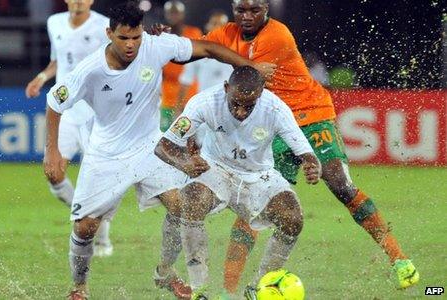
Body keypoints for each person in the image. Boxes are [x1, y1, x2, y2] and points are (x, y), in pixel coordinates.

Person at [43, 2, 275, 299]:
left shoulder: (156, 46)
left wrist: (249, 66)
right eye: (123, 38)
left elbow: (206, 48)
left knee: (184, 206)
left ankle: (165, 271)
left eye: (136, 37)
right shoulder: (90, 70)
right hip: (106, 155)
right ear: (109, 33)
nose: (131, 45)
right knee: (86, 227)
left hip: (151, 147)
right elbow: (54, 102)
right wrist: (51, 152)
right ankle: (79, 287)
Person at [202, 0, 419, 294]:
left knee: (340, 184)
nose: (247, 16)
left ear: (266, 8)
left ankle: (399, 259)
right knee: (255, 202)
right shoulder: (229, 33)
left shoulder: (277, 35)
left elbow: (250, 73)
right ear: (233, 7)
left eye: (254, 9)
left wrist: (212, 49)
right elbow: (193, 49)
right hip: (274, 125)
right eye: (241, 10)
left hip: (311, 113)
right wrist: (160, 41)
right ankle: (232, 291)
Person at [154, 66, 321, 299]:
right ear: (226, 88)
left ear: (260, 93)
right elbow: (163, 146)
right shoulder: (204, 102)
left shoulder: (276, 108)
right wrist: (185, 163)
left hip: (258, 175)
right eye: (236, 104)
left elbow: (305, 152)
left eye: (249, 106)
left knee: (292, 218)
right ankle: (199, 289)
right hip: (215, 169)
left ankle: (258, 288)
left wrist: (312, 166)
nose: (241, 112)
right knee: (191, 200)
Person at [24, 0, 113, 257]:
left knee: (97, 179)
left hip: (97, 111)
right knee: (53, 172)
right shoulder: (54, 23)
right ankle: (88, 216)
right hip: (66, 112)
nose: (78, 1)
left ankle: (102, 236)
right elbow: (57, 60)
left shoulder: (104, 25)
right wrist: (41, 77)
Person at [175, 10, 233, 116]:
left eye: (222, 24)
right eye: (215, 23)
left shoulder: (236, 52)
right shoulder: (198, 51)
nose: (218, 27)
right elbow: (185, 81)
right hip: (204, 109)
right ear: (207, 26)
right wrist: (178, 110)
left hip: (229, 110)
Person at [160, 0, 203, 131]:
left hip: (188, 94)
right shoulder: (162, 35)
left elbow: (198, 63)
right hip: (168, 95)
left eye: (176, 13)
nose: (173, 16)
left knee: (185, 134)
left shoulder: (194, 33)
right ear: (165, 14)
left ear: (182, 14)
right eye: (170, 12)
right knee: (165, 133)